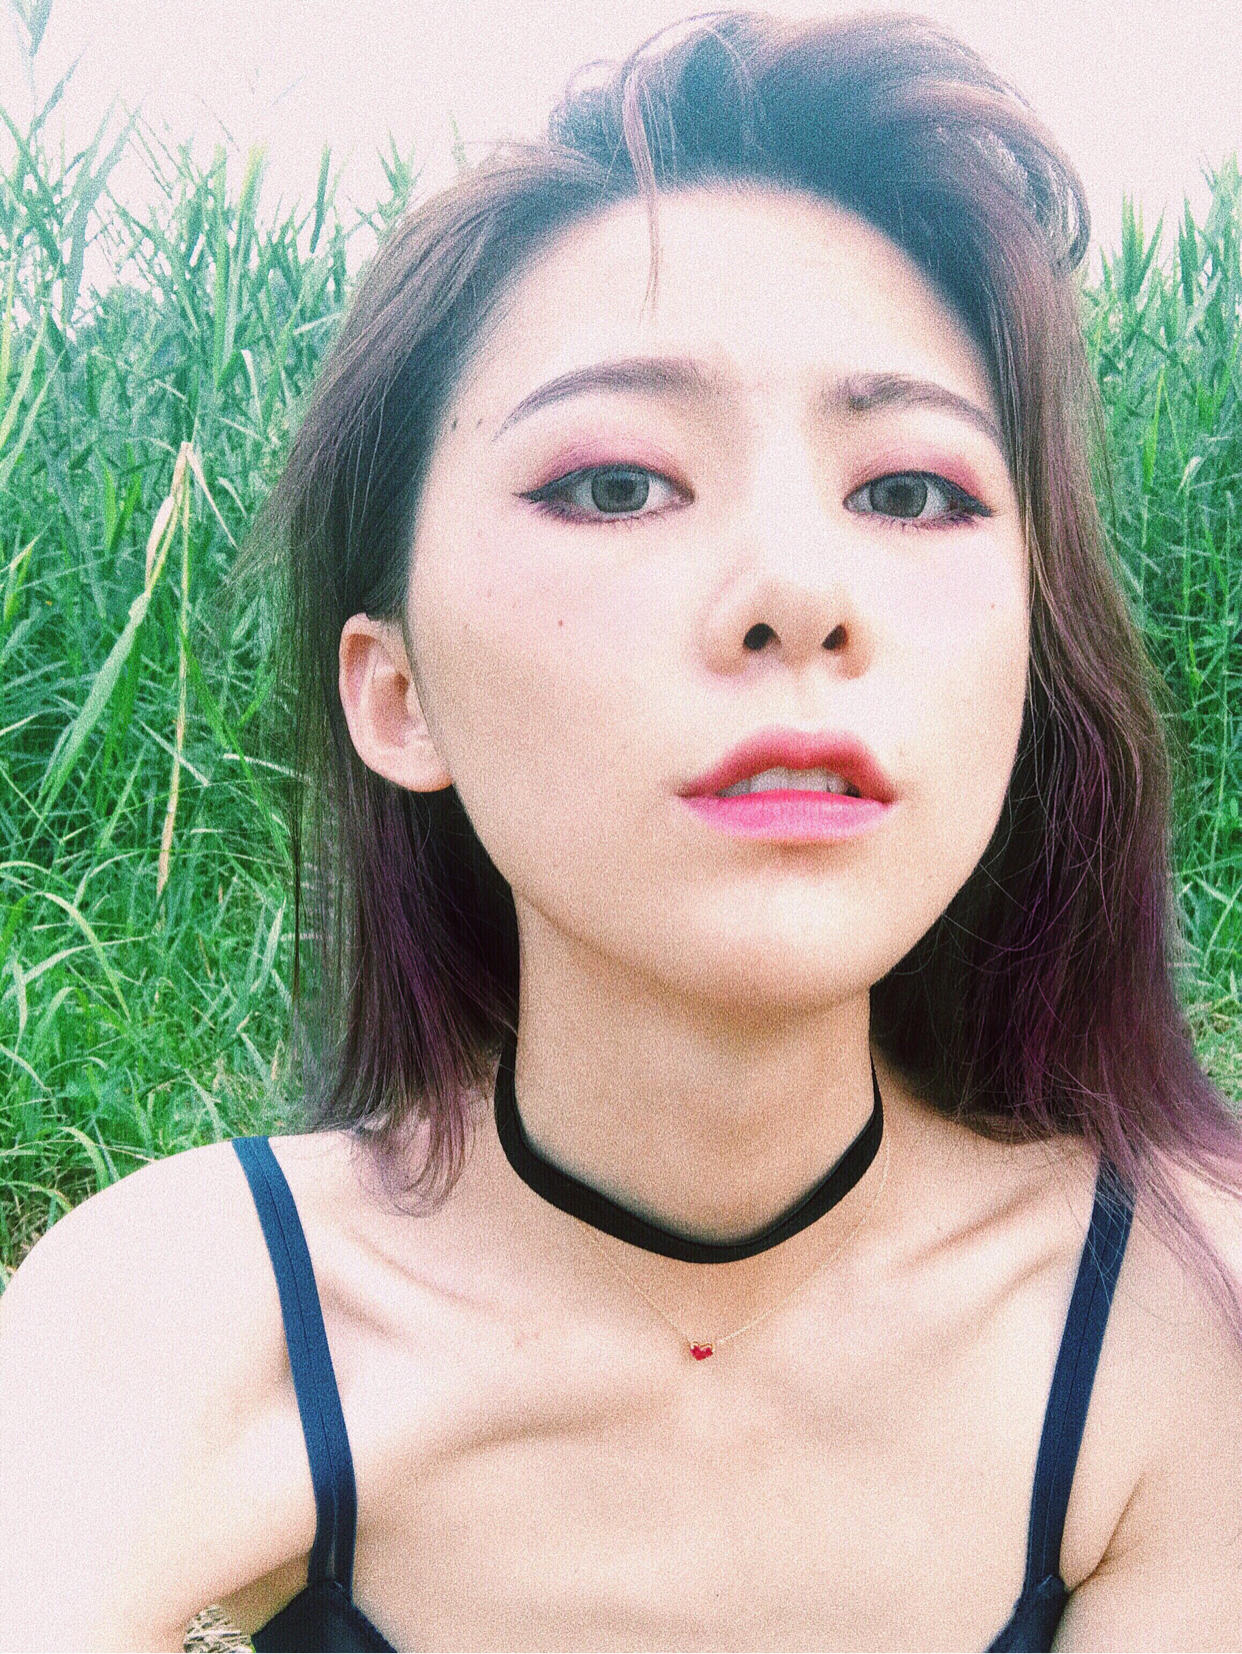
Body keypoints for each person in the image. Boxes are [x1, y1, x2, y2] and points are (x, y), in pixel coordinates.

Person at [1, 8, 1240, 1651]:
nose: (796, 590)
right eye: (612, 484)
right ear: (397, 694)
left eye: (909, 490)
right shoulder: (183, 1314)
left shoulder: (1180, 1324)